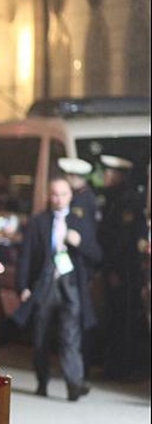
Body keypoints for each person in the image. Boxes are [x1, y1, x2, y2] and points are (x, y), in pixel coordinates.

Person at [12, 176, 102, 400]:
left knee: (70, 335)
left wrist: (79, 242)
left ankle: (74, 383)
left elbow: (97, 255)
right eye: (54, 194)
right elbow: (26, 256)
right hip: (45, 285)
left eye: (63, 194)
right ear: (48, 196)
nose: (59, 199)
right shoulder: (38, 222)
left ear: (70, 196)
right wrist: (22, 287)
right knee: (41, 334)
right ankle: (42, 381)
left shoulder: (79, 221)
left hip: (71, 285)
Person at [96, 155, 148, 379]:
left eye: (109, 173)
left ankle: (122, 367)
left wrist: (114, 270)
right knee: (114, 317)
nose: (105, 176)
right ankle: (114, 365)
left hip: (124, 271)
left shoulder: (127, 201)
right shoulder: (113, 198)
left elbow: (123, 241)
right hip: (115, 269)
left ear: (120, 176)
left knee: (122, 318)